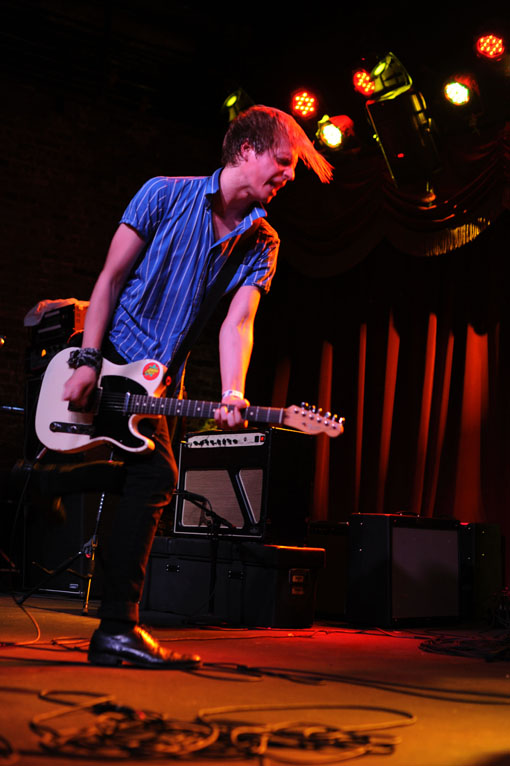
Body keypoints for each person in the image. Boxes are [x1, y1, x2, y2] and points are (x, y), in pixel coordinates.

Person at [62, 105, 333, 668]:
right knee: (151, 475)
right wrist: (88, 359)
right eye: (281, 162)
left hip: (158, 386)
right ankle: (115, 628)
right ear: (244, 152)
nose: (286, 176)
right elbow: (109, 279)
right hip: (111, 358)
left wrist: (235, 392)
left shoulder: (263, 241)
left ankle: (115, 628)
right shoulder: (163, 194)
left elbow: (239, 322)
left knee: (146, 477)